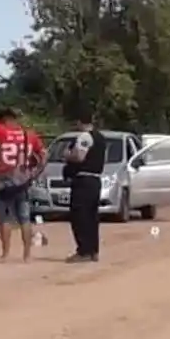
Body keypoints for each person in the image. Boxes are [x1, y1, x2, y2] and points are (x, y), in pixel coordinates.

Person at [0, 108, 45, 261]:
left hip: (3, 180)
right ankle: (27, 254)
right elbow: (43, 156)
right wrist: (35, 173)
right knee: (24, 219)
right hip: (23, 180)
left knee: (5, 219)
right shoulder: (29, 135)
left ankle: (5, 253)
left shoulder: (1, 132)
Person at [62, 109, 106, 263]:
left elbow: (79, 156)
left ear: (80, 122)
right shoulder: (100, 137)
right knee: (92, 217)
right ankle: (93, 250)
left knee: (80, 216)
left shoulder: (85, 137)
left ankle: (83, 251)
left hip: (83, 180)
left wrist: (67, 154)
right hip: (95, 180)